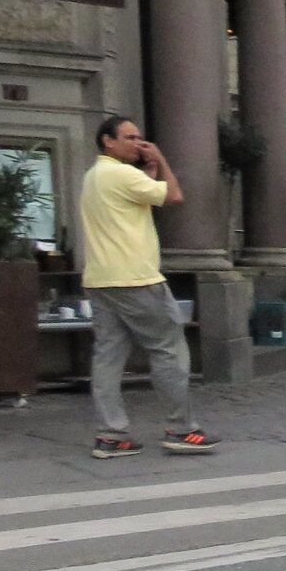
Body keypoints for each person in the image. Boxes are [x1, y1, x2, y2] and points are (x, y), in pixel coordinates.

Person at [81, 115, 215, 459]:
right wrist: (162, 159)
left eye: (141, 137)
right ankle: (181, 428)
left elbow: (141, 199)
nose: (138, 143)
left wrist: (150, 168)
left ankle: (112, 434)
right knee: (168, 348)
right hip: (136, 278)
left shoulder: (95, 176)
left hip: (101, 280)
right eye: (130, 137)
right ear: (107, 141)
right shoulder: (122, 174)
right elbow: (173, 196)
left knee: (108, 357)